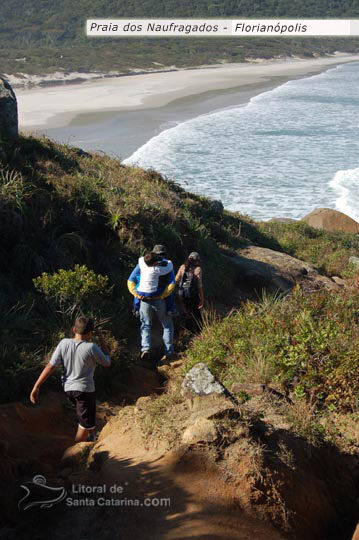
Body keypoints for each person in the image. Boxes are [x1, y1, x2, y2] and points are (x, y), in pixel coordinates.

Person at [29, 316, 111, 443]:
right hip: (85, 390)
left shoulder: (63, 343)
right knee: (85, 423)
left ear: (74, 329)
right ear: (91, 333)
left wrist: (36, 386)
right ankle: (76, 453)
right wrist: (101, 339)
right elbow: (107, 363)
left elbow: (51, 366)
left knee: (85, 417)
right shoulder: (91, 347)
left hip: (68, 389)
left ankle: (91, 436)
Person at [128, 250, 176, 362]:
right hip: (159, 299)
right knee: (167, 325)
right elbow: (172, 284)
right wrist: (162, 296)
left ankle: (145, 349)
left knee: (145, 325)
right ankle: (169, 352)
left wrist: (136, 294)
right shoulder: (161, 269)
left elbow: (131, 280)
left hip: (143, 299)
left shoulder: (141, 264)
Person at [176, 252, 204, 332]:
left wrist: (183, 286)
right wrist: (202, 299)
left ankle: (189, 332)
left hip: (182, 295)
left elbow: (176, 280)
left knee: (187, 313)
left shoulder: (182, 267)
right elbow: (199, 286)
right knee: (197, 314)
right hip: (193, 295)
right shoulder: (198, 269)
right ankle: (199, 333)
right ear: (196, 261)